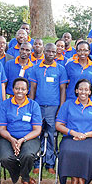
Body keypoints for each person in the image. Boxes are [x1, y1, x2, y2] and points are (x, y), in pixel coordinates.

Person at [55, 79, 92, 184]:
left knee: (87, 153)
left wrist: (86, 135)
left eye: (86, 89)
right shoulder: (68, 105)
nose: (83, 92)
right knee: (67, 150)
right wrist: (73, 133)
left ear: (90, 92)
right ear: (76, 90)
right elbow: (58, 125)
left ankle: (82, 179)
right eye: (81, 89)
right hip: (71, 137)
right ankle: (74, 178)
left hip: (91, 138)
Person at [0, 78, 42, 184]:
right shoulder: (5, 104)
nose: (20, 91)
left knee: (27, 155)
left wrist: (22, 139)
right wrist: (11, 139)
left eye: (23, 89)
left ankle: (25, 178)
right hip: (8, 137)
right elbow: (2, 128)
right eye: (17, 88)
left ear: (27, 90)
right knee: (5, 158)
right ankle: (23, 175)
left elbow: (37, 129)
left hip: (29, 137)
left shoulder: (33, 105)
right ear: (12, 89)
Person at [28, 43, 68, 174]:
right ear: (43, 51)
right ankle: (36, 163)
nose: (51, 54)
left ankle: (50, 163)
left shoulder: (60, 69)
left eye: (53, 52)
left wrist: (61, 108)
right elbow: (32, 88)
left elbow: (63, 89)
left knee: (52, 136)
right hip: (38, 106)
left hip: (53, 107)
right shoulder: (35, 68)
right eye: (48, 51)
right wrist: (31, 106)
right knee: (37, 134)